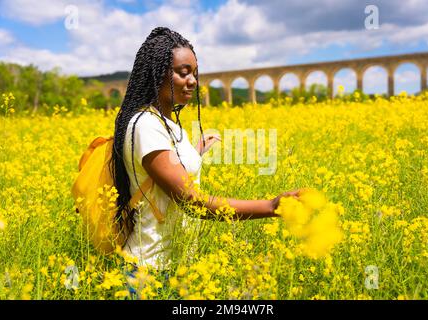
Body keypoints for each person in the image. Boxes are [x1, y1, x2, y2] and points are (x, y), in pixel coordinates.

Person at [109, 27, 306, 271]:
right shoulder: (146, 126)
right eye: (183, 73)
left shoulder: (167, 124)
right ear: (156, 74)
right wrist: (271, 206)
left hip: (173, 267)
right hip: (147, 271)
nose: (193, 80)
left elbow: (168, 168)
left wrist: (195, 151)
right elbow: (191, 200)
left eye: (194, 73)